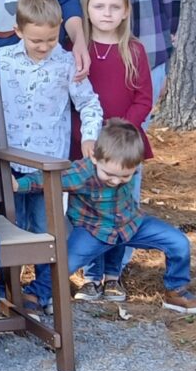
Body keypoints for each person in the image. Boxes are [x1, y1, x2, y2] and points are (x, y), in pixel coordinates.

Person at [0, 0, 102, 313]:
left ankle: (43, 291)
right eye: (36, 40)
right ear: (18, 30)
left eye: (51, 39)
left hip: (47, 167)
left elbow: (89, 103)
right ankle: (5, 287)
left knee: (45, 228)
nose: (44, 46)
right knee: (9, 225)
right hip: (8, 162)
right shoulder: (3, 60)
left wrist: (90, 137)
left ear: (59, 29)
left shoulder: (66, 63)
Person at [14, 119, 196, 314]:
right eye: (109, 174)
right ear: (94, 157)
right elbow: (48, 179)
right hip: (93, 229)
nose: (116, 181)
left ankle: (176, 292)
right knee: (66, 261)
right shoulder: (82, 173)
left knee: (178, 242)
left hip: (130, 224)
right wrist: (19, 185)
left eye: (125, 176)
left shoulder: (125, 162)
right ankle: (35, 294)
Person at [70, 0, 153, 302]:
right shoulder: (77, 50)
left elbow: (144, 98)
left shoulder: (134, 49)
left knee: (121, 213)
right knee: (90, 211)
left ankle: (113, 274)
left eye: (114, 7)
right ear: (86, 10)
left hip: (127, 148)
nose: (107, 13)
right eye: (99, 6)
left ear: (125, 11)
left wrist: (119, 132)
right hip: (88, 147)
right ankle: (90, 275)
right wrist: (93, 137)